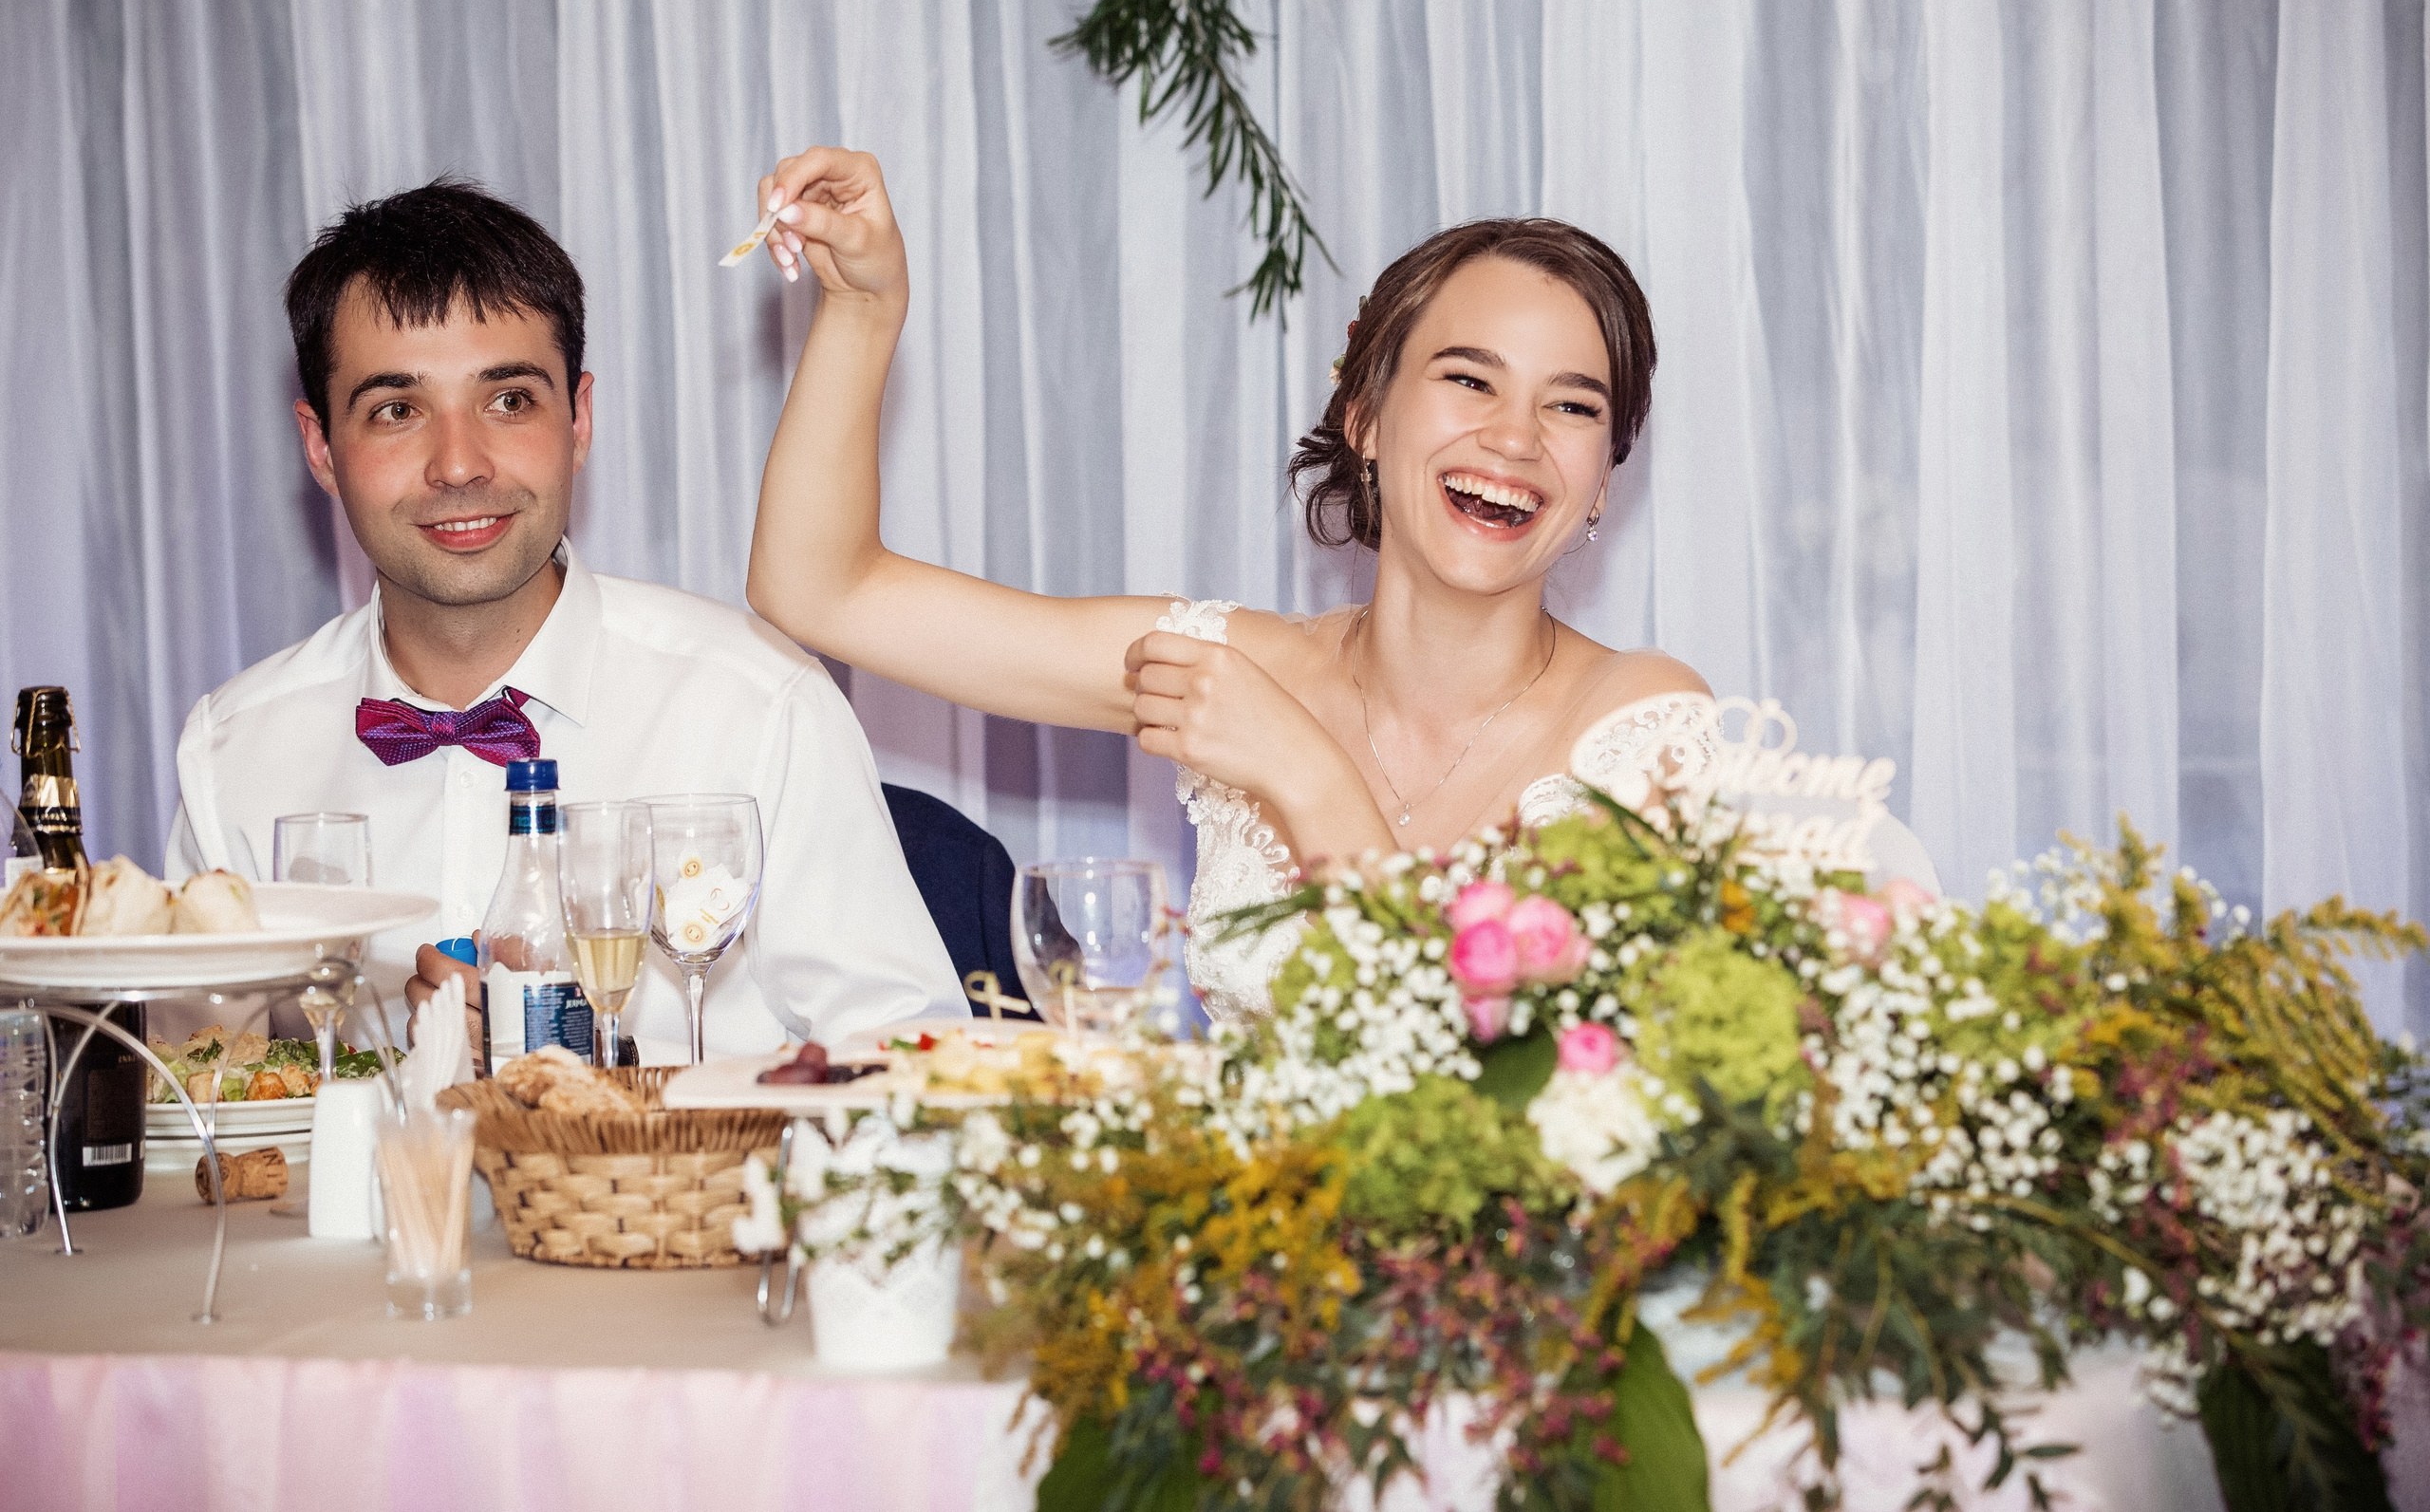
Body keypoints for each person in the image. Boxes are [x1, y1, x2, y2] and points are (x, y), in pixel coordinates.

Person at [741, 149, 1710, 1026]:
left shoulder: (1642, 730)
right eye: (1468, 380)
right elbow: (819, 587)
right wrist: (865, 310)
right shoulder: (1224, 666)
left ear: (1603, 476)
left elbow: (1484, 1084)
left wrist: (1303, 770)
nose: (1514, 437)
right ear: (1366, 417)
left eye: (1572, 404)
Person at [164, 178, 966, 1058]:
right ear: (320, 447)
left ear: (579, 419)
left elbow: (910, 1068)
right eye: (397, 410)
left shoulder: (757, 706)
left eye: (509, 400)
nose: (459, 464)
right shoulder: (235, 755)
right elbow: (194, 1103)